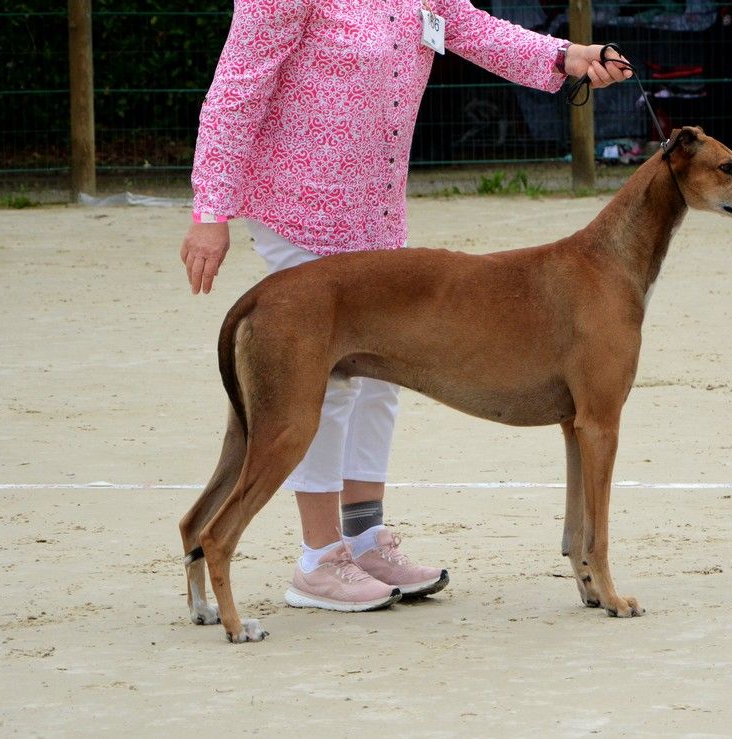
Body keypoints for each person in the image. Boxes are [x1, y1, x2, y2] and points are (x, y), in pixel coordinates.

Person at [180, 0, 633, 613]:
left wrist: (564, 56)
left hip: (375, 209)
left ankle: (365, 539)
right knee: (326, 385)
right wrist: (211, 210)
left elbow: (475, 31)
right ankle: (319, 559)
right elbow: (237, 86)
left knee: (380, 378)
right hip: (298, 202)